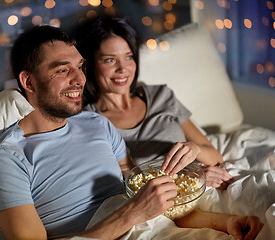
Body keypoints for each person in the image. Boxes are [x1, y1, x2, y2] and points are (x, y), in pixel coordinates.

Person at [0, 25, 263, 239]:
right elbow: (137, 209)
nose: (80, 79)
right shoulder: (6, 158)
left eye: (79, 67)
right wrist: (133, 212)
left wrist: (224, 223)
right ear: (28, 81)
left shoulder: (98, 124)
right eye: (62, 70)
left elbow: (151, 206)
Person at [75, 16, 233, 189]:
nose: (123, 69)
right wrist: (192, 177)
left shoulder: (160, 95)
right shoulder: (90, 121)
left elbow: (216, 159)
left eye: (128, 57)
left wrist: (195, 150)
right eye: (110, 60)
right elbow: (129, 186)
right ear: (90, 65)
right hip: (164, 202)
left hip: (203, 186)